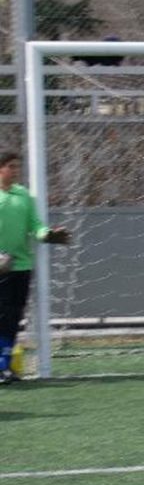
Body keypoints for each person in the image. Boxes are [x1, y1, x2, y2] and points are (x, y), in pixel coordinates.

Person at [0, 151, 72, 384]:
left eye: (17, 167)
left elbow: (35, 225)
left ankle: (4, 366)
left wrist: (48, 234)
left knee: (12, 318)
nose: (16, 171)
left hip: (21, 266)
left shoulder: (23, 195)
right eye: (11, 166)